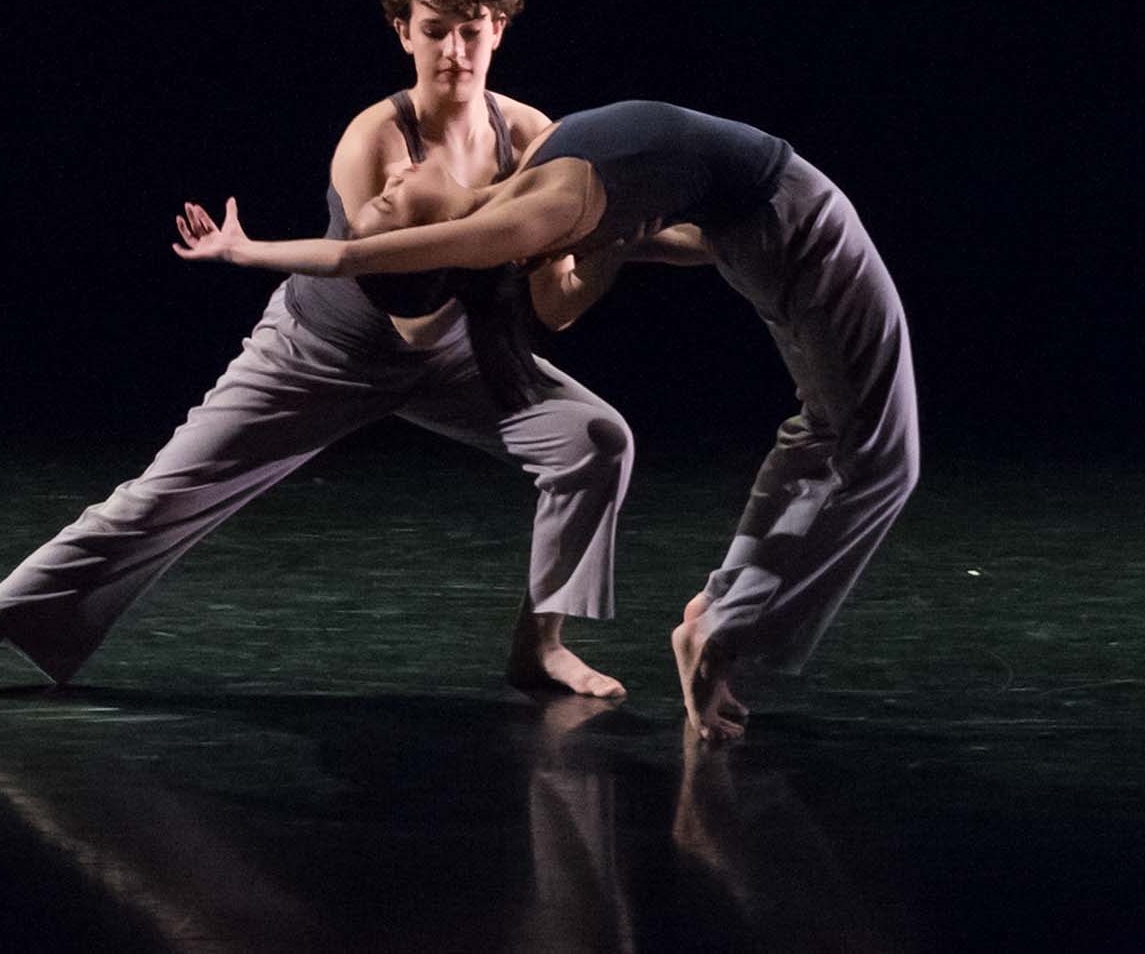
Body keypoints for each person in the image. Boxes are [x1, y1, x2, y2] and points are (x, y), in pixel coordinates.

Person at [0, 0, 661, 701]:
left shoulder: (533, 138)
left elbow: (551, 309)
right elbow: (405, 307)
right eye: (435, 31)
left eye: (472, 31)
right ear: (401, 33)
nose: (455, 51)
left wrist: (606, 246)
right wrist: (515, 250)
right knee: (153, 499)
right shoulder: (375, 140)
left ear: (500, 31)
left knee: (596, 440)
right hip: (321, 352)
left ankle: (541, 645)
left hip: (452, 353)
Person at [171, 99, 919, 742]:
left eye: (387, 187)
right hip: (799, 220)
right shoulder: (523, 219)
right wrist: (244, 249)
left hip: (768, 230)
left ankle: (723, 617)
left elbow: (676, 242)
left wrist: (656, 239)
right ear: (434, 234)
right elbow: (348, 258)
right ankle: (725, 627)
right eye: (394, 201)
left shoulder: (516, 195)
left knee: (839, 439)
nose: (394, 177)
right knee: (874, 454)